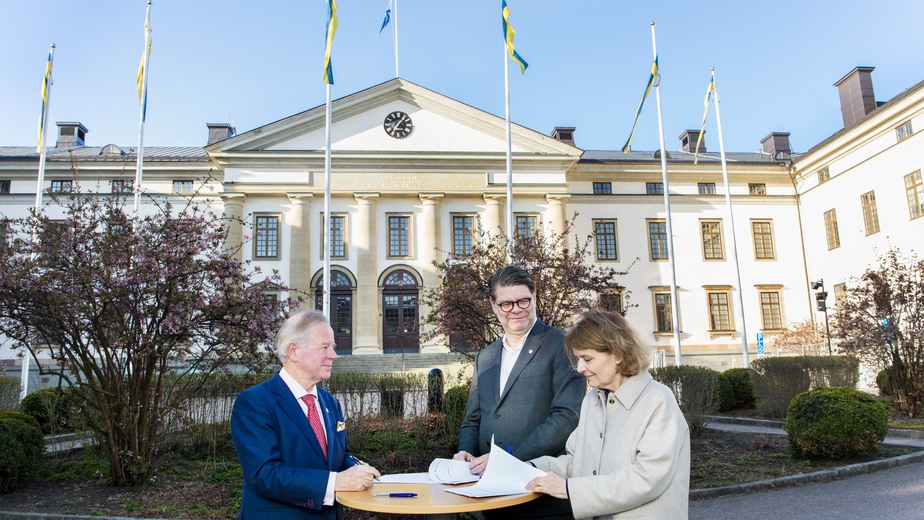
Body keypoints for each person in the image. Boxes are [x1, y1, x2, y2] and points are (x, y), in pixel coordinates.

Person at [525, 308, 691, 519]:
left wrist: (568, 489)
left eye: (587, 358)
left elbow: (647, 478)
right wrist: (530, 468)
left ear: (618, 355)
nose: (579, 368)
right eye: (578, 359)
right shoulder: (592, 400)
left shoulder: (658, 400)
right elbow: (577, 463)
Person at [454, 265, 586, 519]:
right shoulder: (486, 356)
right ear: (494, 306)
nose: (516, 309)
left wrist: (508, 457)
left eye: (523, 301)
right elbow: (473, 417)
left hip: (542, 496)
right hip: (492, 496)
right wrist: (465, 452)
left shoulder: (562, 344)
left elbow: (567, 416)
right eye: (506, 304)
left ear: (534, 297)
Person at [231, 310, 380, 519]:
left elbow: (338, 457)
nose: (334, 355)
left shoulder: (330, 402)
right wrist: (336, 482)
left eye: (333, 347)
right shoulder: (254, 403)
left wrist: (360, 470)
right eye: (324, 347)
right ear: (293, 351)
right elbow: (264, 474)